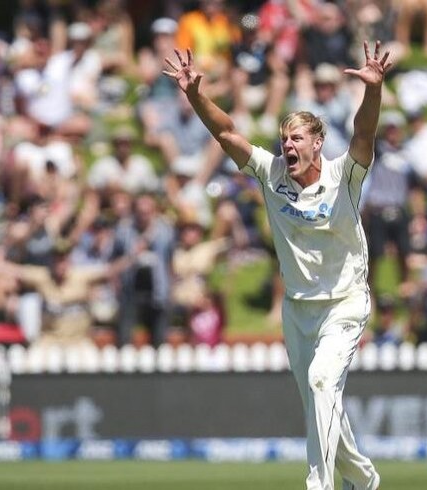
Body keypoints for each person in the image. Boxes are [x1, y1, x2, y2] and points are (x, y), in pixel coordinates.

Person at [163, 41, 392, 490]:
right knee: (318, 400)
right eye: (284, 138)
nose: (288, 145)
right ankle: (364, 479)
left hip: (344, 302)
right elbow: (228, 135)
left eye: (297, 138)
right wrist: (194, 96)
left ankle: (319, 485)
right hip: (297, 309)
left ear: (318, 143)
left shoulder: (344, 173)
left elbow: (365, 133)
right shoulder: (271, 174)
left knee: (323, 383)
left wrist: (373, 91)